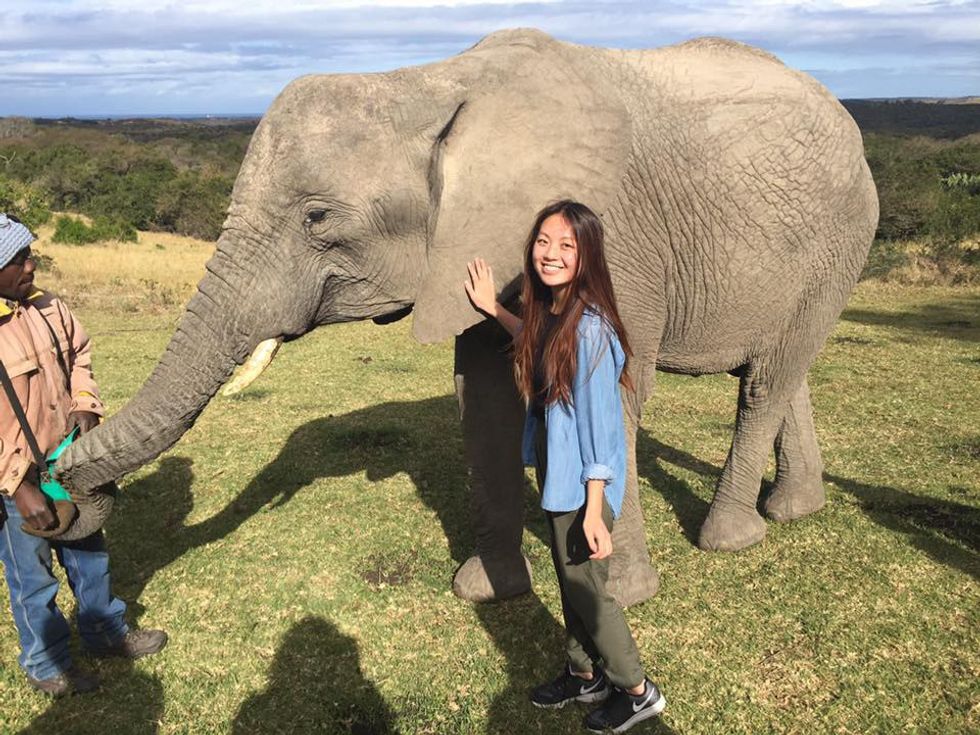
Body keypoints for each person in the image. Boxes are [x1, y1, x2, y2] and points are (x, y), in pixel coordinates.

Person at [464, 200, 665, 733]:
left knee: (588, 591)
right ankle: (583, 674)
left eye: (566, 246)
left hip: (584, 485)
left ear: (587, 256)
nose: (550, 254)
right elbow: (536, 341)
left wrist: (595, 510)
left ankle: (637, 689)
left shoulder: (591, 328)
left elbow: (601, 429)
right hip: (561, 475)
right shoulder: (556, 313)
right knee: (571, 578)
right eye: (543, 241)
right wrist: (493, 308)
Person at [0, 213, 167, 697]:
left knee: (89, 552)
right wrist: (17, 484)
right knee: (32, 577)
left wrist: (86, 404)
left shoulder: (49, 306)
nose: (30, 265)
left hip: (68, 464)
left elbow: (80, 356)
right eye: (16, 260)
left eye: (29, 254)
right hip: (16, 483)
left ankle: (105, 632)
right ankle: (46, 662)